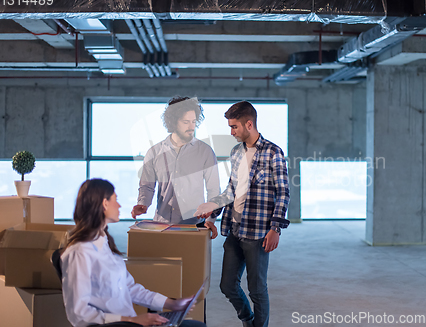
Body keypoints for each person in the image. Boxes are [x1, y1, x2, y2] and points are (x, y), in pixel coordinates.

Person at [61, 178, 206, 327]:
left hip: (131, 322)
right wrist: (131, 320)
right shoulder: (79, 252)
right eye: (115, 200)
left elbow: (129, 288)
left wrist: (171, 304)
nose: (119, 205)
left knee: (195, 325)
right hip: (121, 324)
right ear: (105, 204)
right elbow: (78, 313)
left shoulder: (103, 243)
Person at [195, 101, 290, 327]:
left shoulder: (273, 152)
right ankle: (248, 319)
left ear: (249, 124)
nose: (231, 132)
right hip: (235, 230)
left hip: (258, 233)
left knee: (257, 290)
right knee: (227, 286)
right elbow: (230, 191)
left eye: (234, 127)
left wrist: (275, 228)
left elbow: (283, 192)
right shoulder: (236, 153)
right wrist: (211, 211)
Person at [131, 96, 220, 237]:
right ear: (173, 122)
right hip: (161, 225)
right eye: (186, 122)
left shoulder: (205, 152)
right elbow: (147, 186)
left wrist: (211, 220)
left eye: (193, 122)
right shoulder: (154, 152)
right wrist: (143, 204)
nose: (191, 127)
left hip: (195, 225)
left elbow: (213, 190)